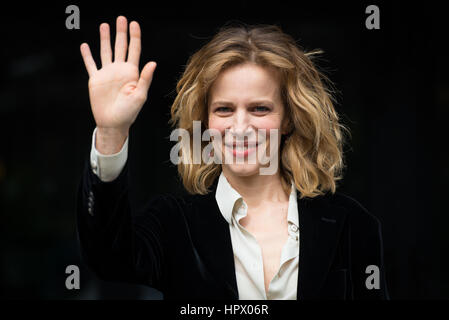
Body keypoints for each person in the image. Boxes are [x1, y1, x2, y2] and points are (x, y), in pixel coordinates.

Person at [77, 16, 390, 300]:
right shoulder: (174, 223)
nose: (240, 127)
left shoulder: (352, 225)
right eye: (224, 109)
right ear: (206, 121)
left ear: (288, 119)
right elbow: (108, 257)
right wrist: (111, 131)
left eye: (259, 108)